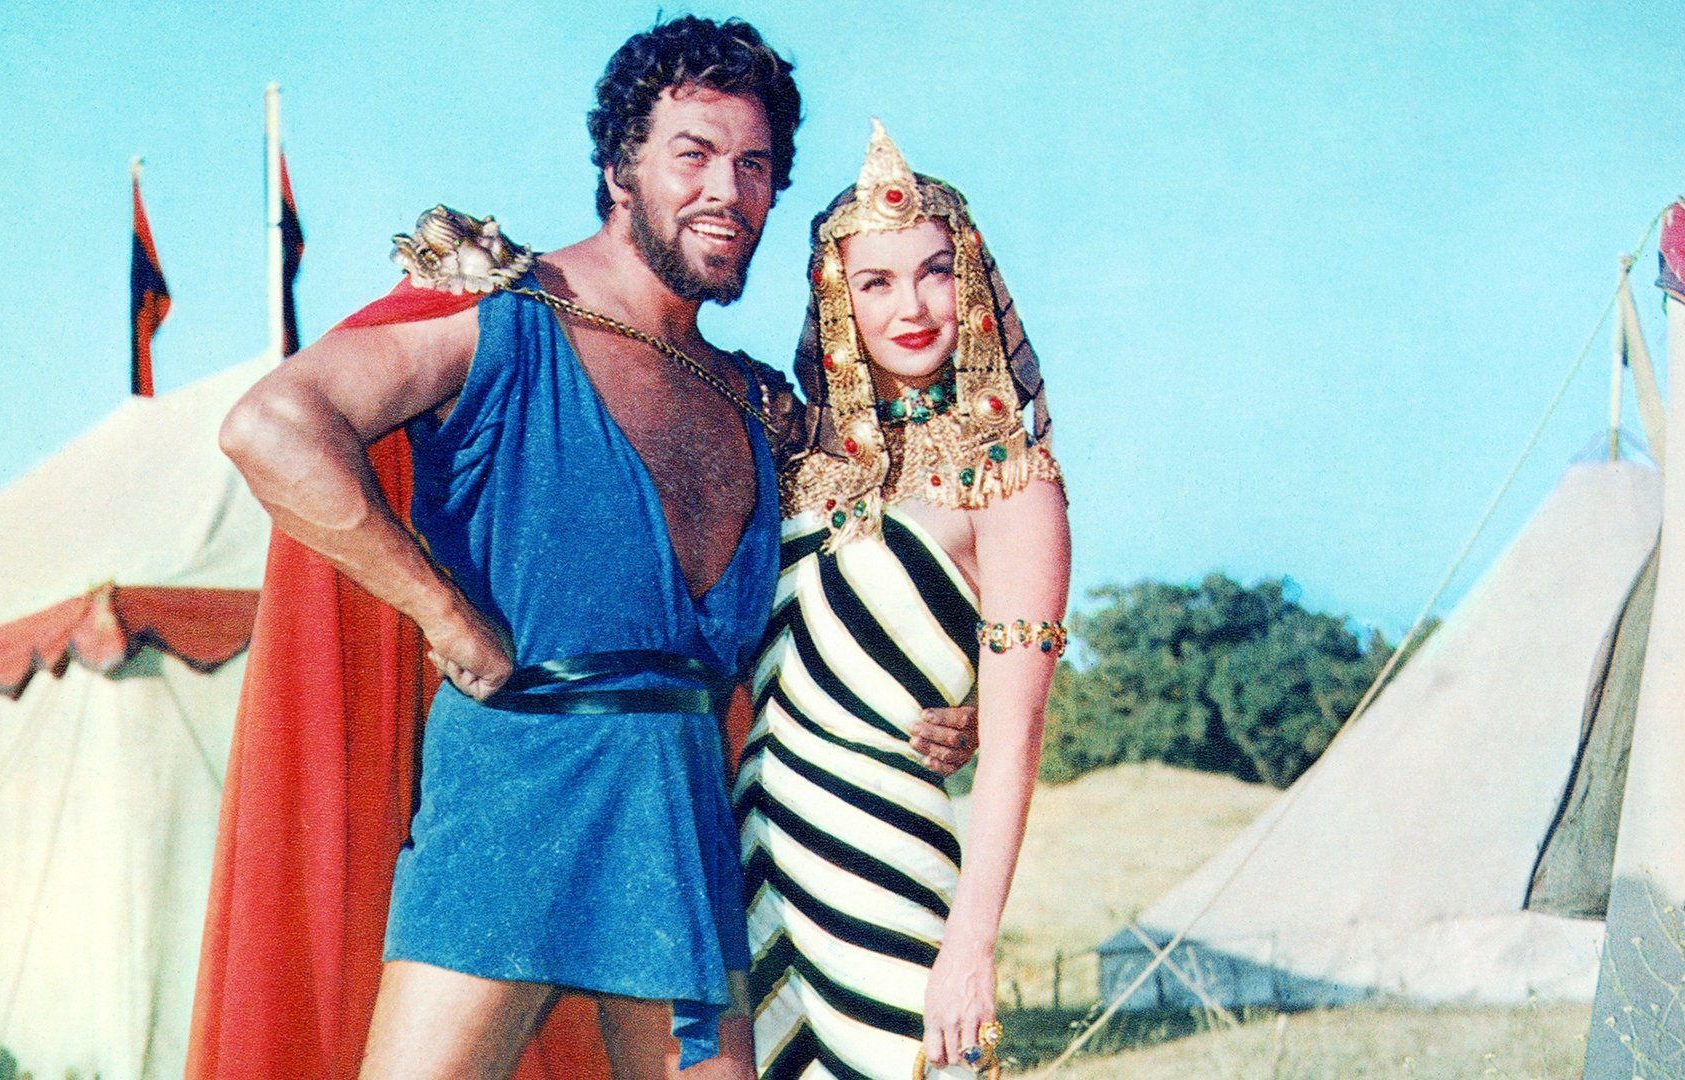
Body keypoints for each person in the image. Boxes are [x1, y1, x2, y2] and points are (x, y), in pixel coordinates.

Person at [214, 16, 804, 1079]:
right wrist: (440, 611)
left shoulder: (753, 399)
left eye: (754, 165)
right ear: (619, 169)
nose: (727, 190)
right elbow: (273, 426)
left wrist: (955, 704)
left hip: (677, 818)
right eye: (695, 154)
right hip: (515, 791)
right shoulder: (503, 317)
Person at [734, 123, 1072, 1079]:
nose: (912, 307)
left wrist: (971, 949)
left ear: (974, 283)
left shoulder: (1012, 481)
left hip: (885, 868)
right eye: (876, 282)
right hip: (749, 865)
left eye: (934, 273)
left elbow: (1014, 742)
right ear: (837, 298)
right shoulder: (790, 455)